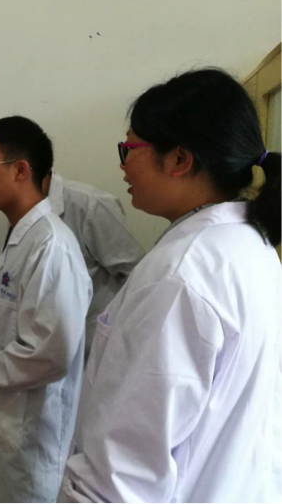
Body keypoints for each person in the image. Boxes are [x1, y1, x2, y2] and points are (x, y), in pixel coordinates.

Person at [61, 68, 282, 503]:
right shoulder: (251, 246)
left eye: (129, 149)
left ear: (180, 159)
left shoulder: (179, 275)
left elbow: (119, 478)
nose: (122, 164)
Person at [0, 116, 92, 503]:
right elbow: (23, 321)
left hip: (28, 449)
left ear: (21, 170)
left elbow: (50, 355)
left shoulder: (51, 247)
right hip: (3, 434)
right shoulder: (20, 235)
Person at [42, 171, 145, 352]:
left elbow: (138, 276)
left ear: (20, 169)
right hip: (47, 348)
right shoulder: (21, 215)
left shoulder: (90, 204)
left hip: (96, 350)